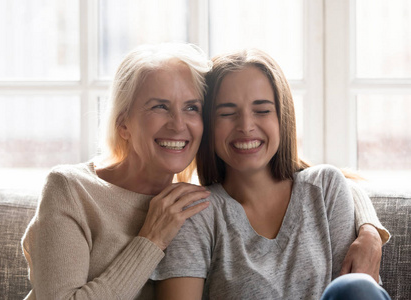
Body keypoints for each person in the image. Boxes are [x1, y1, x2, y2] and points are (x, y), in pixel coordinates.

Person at [152, 49, 391, 299]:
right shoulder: (194, 214)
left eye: (262, 110)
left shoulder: (325, 188)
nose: (245, 126)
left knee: (355, 287)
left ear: (282, 117)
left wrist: (370, 230)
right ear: (208, 124)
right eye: (227, 113)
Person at [21, 43, 213, 299]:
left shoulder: (194, 205)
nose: (178, 124)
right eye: (160, 106)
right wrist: (151, 240)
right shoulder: (70, 189)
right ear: (123, 124)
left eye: (191, 107)